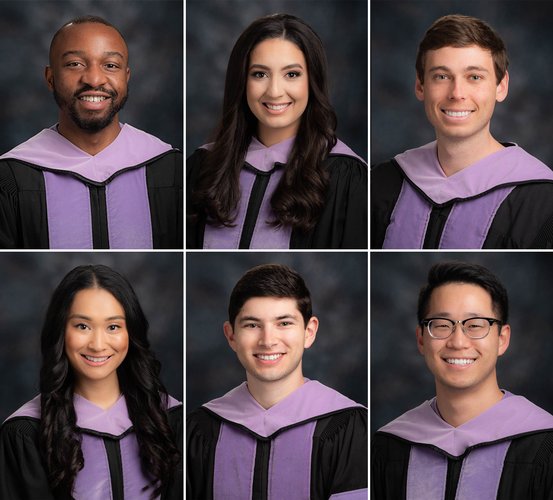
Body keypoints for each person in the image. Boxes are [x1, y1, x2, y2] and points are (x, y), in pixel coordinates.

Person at [372, 261, 553, 499]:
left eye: (475, 325)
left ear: (502, 339)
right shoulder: (389, 447)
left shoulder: (544, 446)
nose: (458, 342)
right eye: (441, 325)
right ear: (421, 340)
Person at [0, 265, 182, 499]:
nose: (97, 344)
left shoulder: (170, 421)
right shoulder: (26, 433)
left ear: (131, 333)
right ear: (61, 332)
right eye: (82, 326)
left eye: (113, 326)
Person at [371, 14, 553, 249]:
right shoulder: (380, 183)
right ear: (420, 86)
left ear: (502, 86)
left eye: (474, 77)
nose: (457, 93)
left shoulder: (542, 202)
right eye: (442, 76)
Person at [0, 16, 183, 249]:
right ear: (50, 78)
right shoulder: (11, 177)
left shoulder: (173, 171)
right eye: (75, 64)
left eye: (110, 65)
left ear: (126, 78)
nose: (94, 79)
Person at [187, 264, 367, 499]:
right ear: (231, 335)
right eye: (252, 325)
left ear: (309, 331)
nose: (268, 340)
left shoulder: (348, 426)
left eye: (284, 323)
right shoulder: (200, 429)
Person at [187, 14, 367, 249]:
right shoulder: (203, 166)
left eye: (292, 74)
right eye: (259, 74)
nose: (274, 91)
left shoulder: (345, 176)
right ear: (242, 82)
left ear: (312, 81)